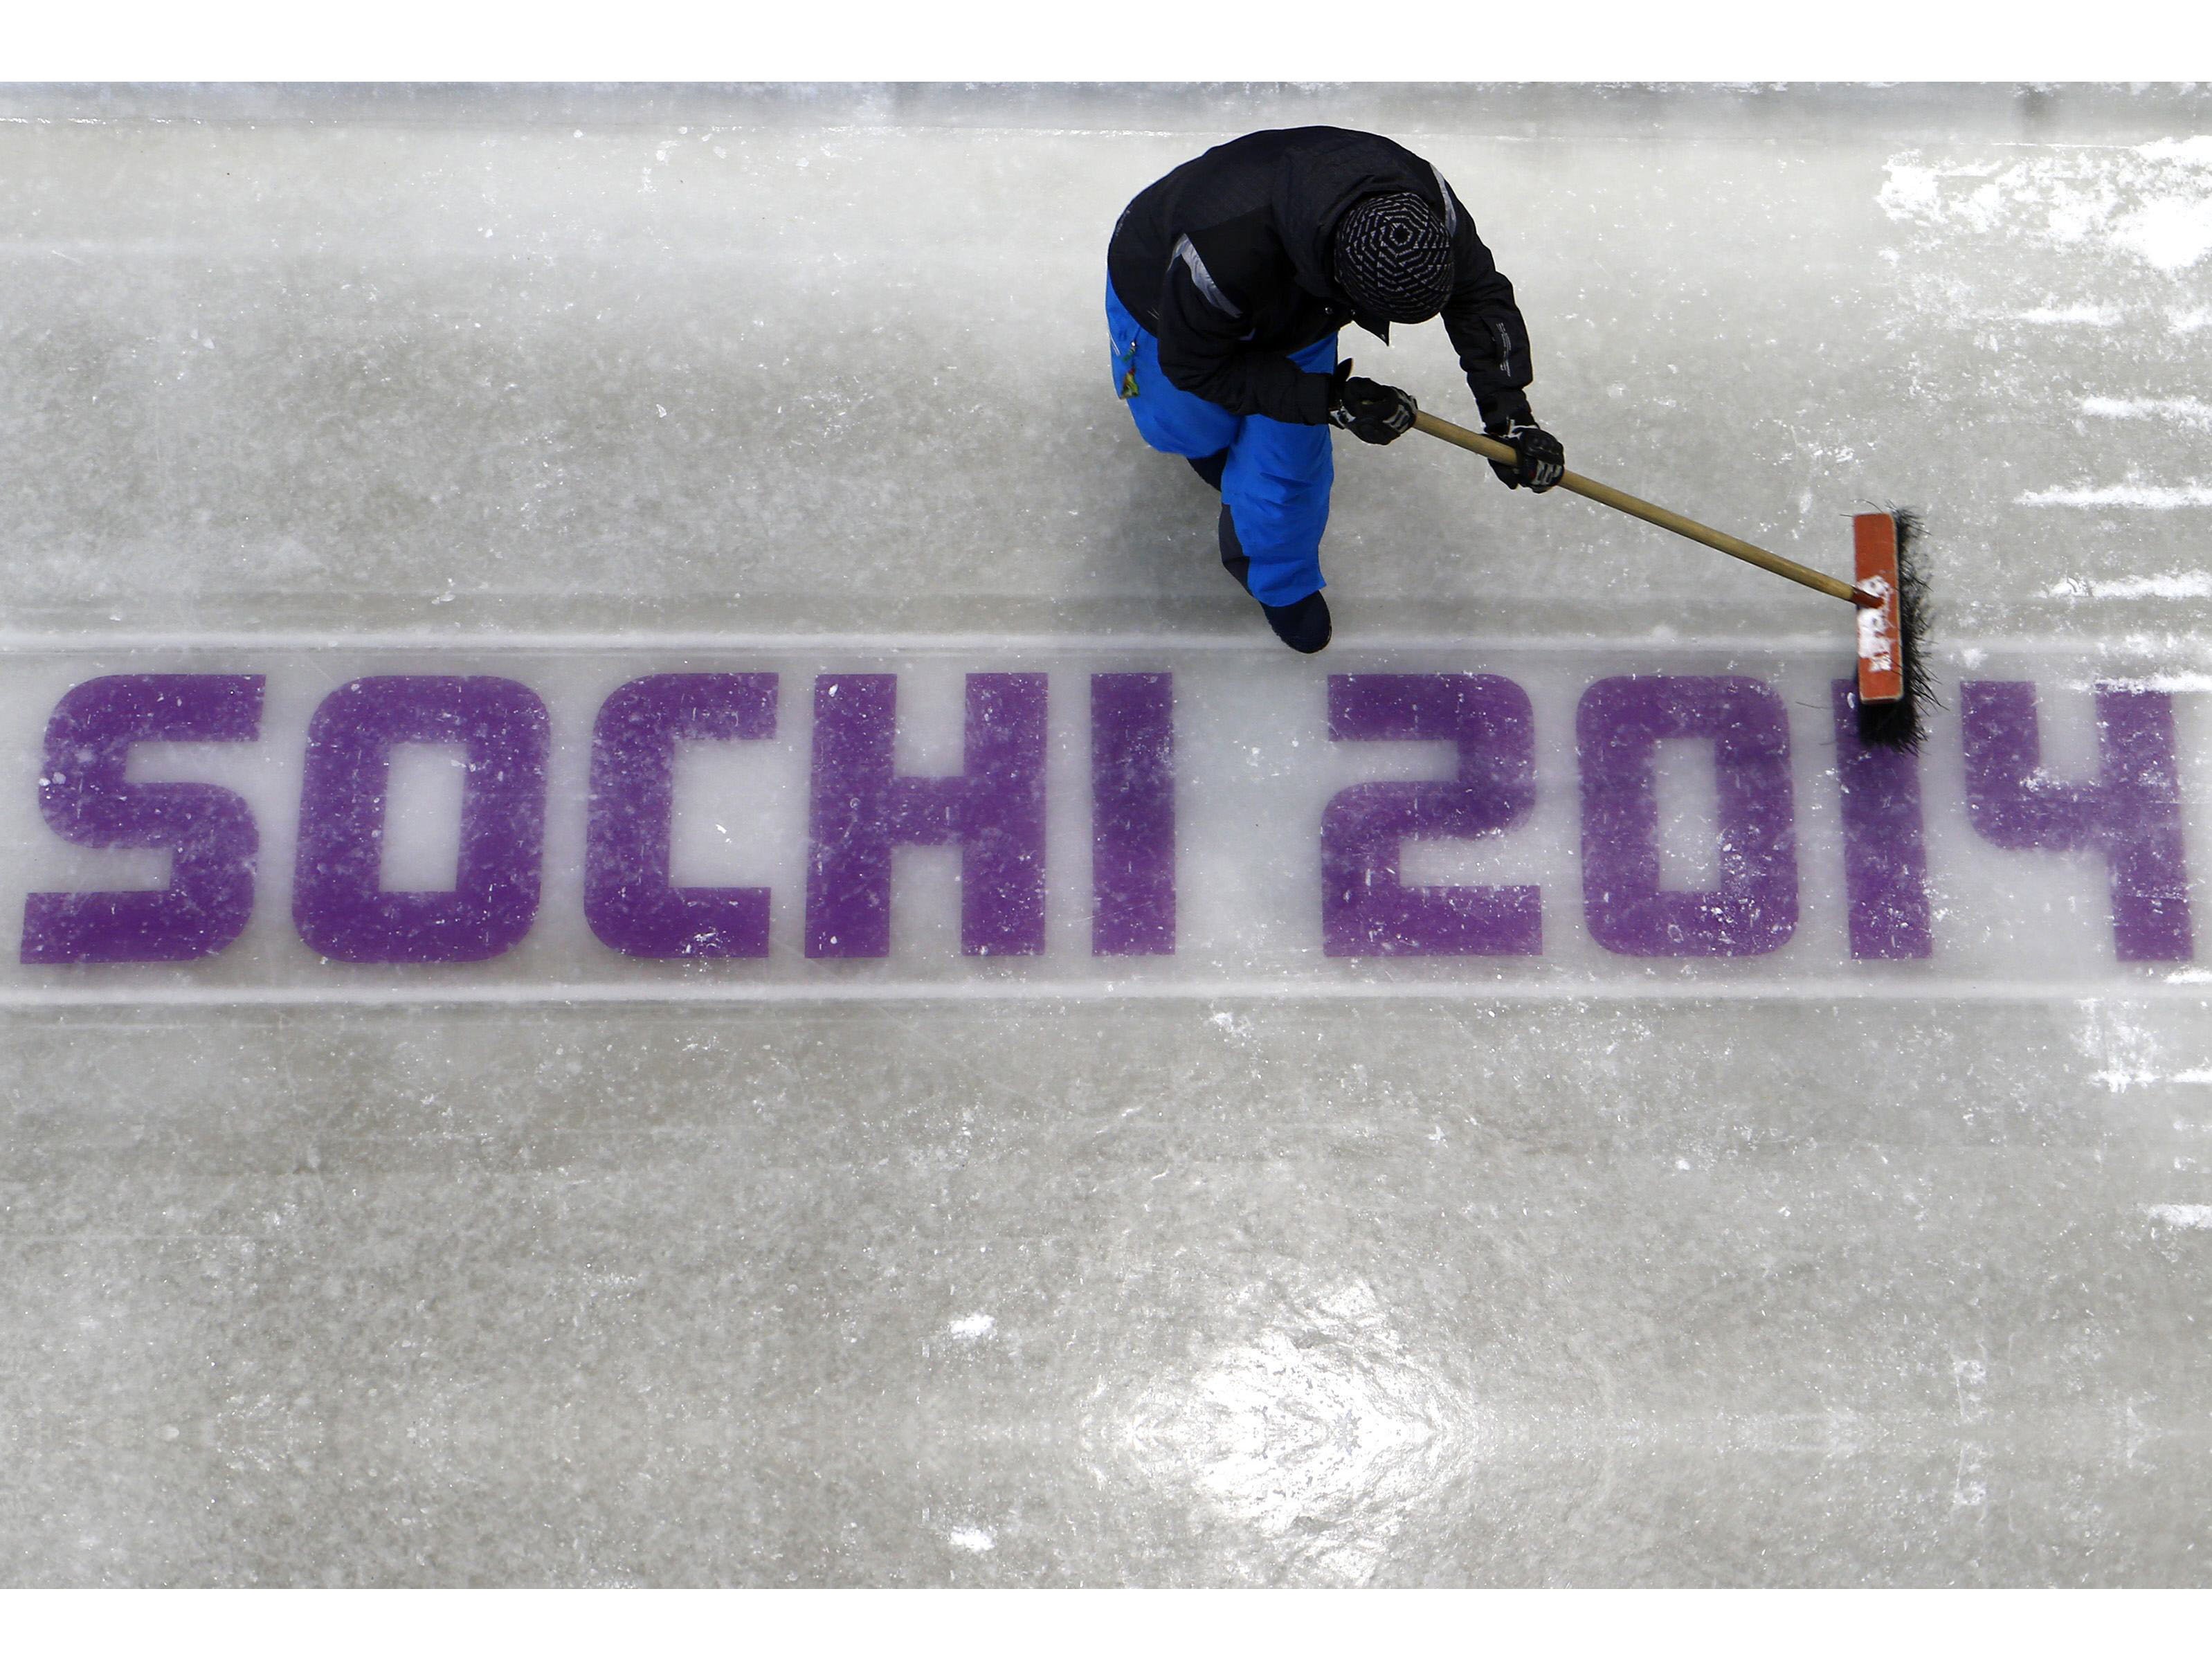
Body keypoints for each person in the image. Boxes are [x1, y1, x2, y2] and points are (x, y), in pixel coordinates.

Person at [1106, 126, 1565, 653]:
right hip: (1165, 310)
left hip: (1297, 316)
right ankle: (1212, 449)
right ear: (1340, 279)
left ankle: (1278, 579)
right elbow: (1197, 367)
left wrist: (1510, 415)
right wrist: (1326, 400)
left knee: (1291, 469)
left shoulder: (1427, 203)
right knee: (1186, 427)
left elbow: (1478, 295)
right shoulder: (1219, 251)